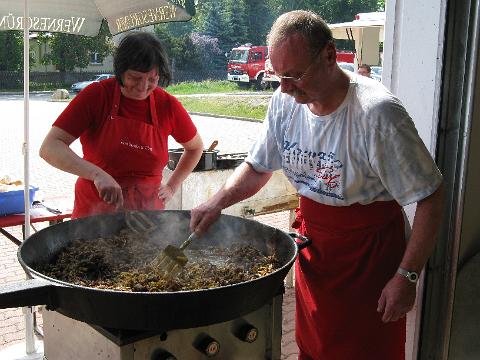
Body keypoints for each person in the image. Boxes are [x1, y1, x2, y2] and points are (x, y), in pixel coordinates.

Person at [190, 10, 444, 360]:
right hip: (315, 252)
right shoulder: (284, 102)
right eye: (277, 76)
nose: (284, 88)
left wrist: (407, 276)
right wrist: (216, 202)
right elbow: (257, 166)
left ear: (328, 54)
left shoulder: (377, 114)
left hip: (368, 260)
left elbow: (430, 196)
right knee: (314, 347)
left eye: (294, 75)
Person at [40, 32, 203, 218]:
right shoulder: (97, 95)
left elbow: (195, 148)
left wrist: (172, 186)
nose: (143, 87)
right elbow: (49, 147)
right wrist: (97, 175)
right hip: (94, 213)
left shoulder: (167, 105)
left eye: (152, 79)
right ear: (120, 71)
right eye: (135, 77)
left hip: (147, 217)